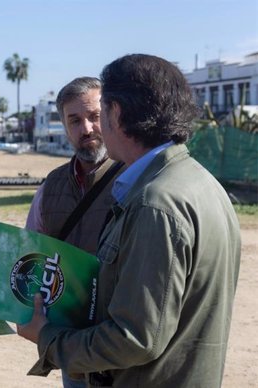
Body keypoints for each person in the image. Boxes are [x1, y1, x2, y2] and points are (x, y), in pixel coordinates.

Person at [19, 54, 241, 387]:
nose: (91, 128)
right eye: (74, 120)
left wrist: (48, 338)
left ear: (116, 114)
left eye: (99, 112)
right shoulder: (199, 182)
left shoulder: (156, 203)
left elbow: (134, 338)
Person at [25, 77, 123, 388]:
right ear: (65, 127)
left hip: (120, 339)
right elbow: (30, 254)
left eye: (94, 117)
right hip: (73, 345)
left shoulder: (133, 180)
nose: (86, 129)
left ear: (110, 116)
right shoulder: (50, 186)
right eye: (75, 120)